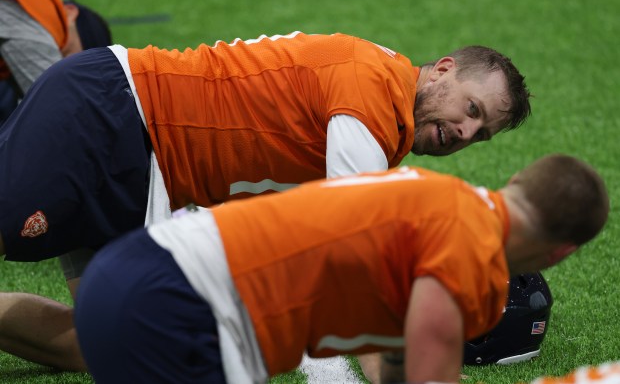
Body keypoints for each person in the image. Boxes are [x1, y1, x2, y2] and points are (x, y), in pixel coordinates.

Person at [0, 31, 530, 372]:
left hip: (146, 175)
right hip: (114, 115)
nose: (466, 130)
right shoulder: (371, 95)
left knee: (97, 340)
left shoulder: (382, 121)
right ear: (441, 69)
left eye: (480, 132)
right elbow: (356, 262)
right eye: (471, 107)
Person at [73, 154, 609, 384]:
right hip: (178, 308)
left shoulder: (437, 194)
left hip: (133, 269)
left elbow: (400, 358)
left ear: (517, 178)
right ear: (563, 253)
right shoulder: (471, 249)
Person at [0, 0, 112, 123]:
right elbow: (64, 113)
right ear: (70, 13)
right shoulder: (41, 20)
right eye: (76, 56)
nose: (61, 61)